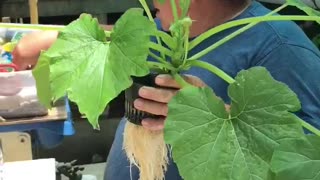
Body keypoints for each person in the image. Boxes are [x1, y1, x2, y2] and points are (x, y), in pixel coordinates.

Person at [12, 0, 320, 179]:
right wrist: (58, 38)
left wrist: (210, 114)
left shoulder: (282, 48)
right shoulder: (169, 28)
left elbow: (303, 162)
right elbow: (121, 37)